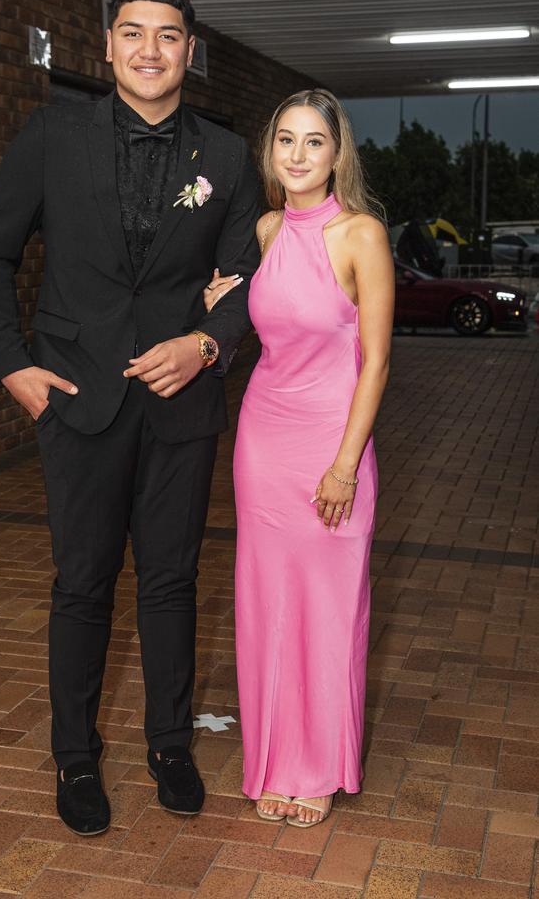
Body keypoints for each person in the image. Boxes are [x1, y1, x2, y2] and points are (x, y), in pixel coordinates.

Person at [0, 0, 260, 835]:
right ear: (107, 46)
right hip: (75, 399)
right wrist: (12, 365)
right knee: (83, 584)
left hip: (181, 405)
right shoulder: (53, 136)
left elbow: (244, 285)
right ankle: (75, 756)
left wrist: (206, 344)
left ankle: (170, 746)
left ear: (189, 52)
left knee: (171, 583)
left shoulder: (228, 157)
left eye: (168, 37)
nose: (149, 51)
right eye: (133, 34)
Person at [205, 89, 393, 827]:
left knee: (327, 607)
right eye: (286, 139)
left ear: (336, 152)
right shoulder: (266, 227)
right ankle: (273, 761)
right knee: (265, 603)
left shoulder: (361, 235)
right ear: (270, 150)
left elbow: (375, 362)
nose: (298, 154)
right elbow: (268, 326)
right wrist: (222, 301)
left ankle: (317, 768)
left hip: (332, 441)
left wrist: (346, 463)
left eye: (314, 142)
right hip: (263, 439)